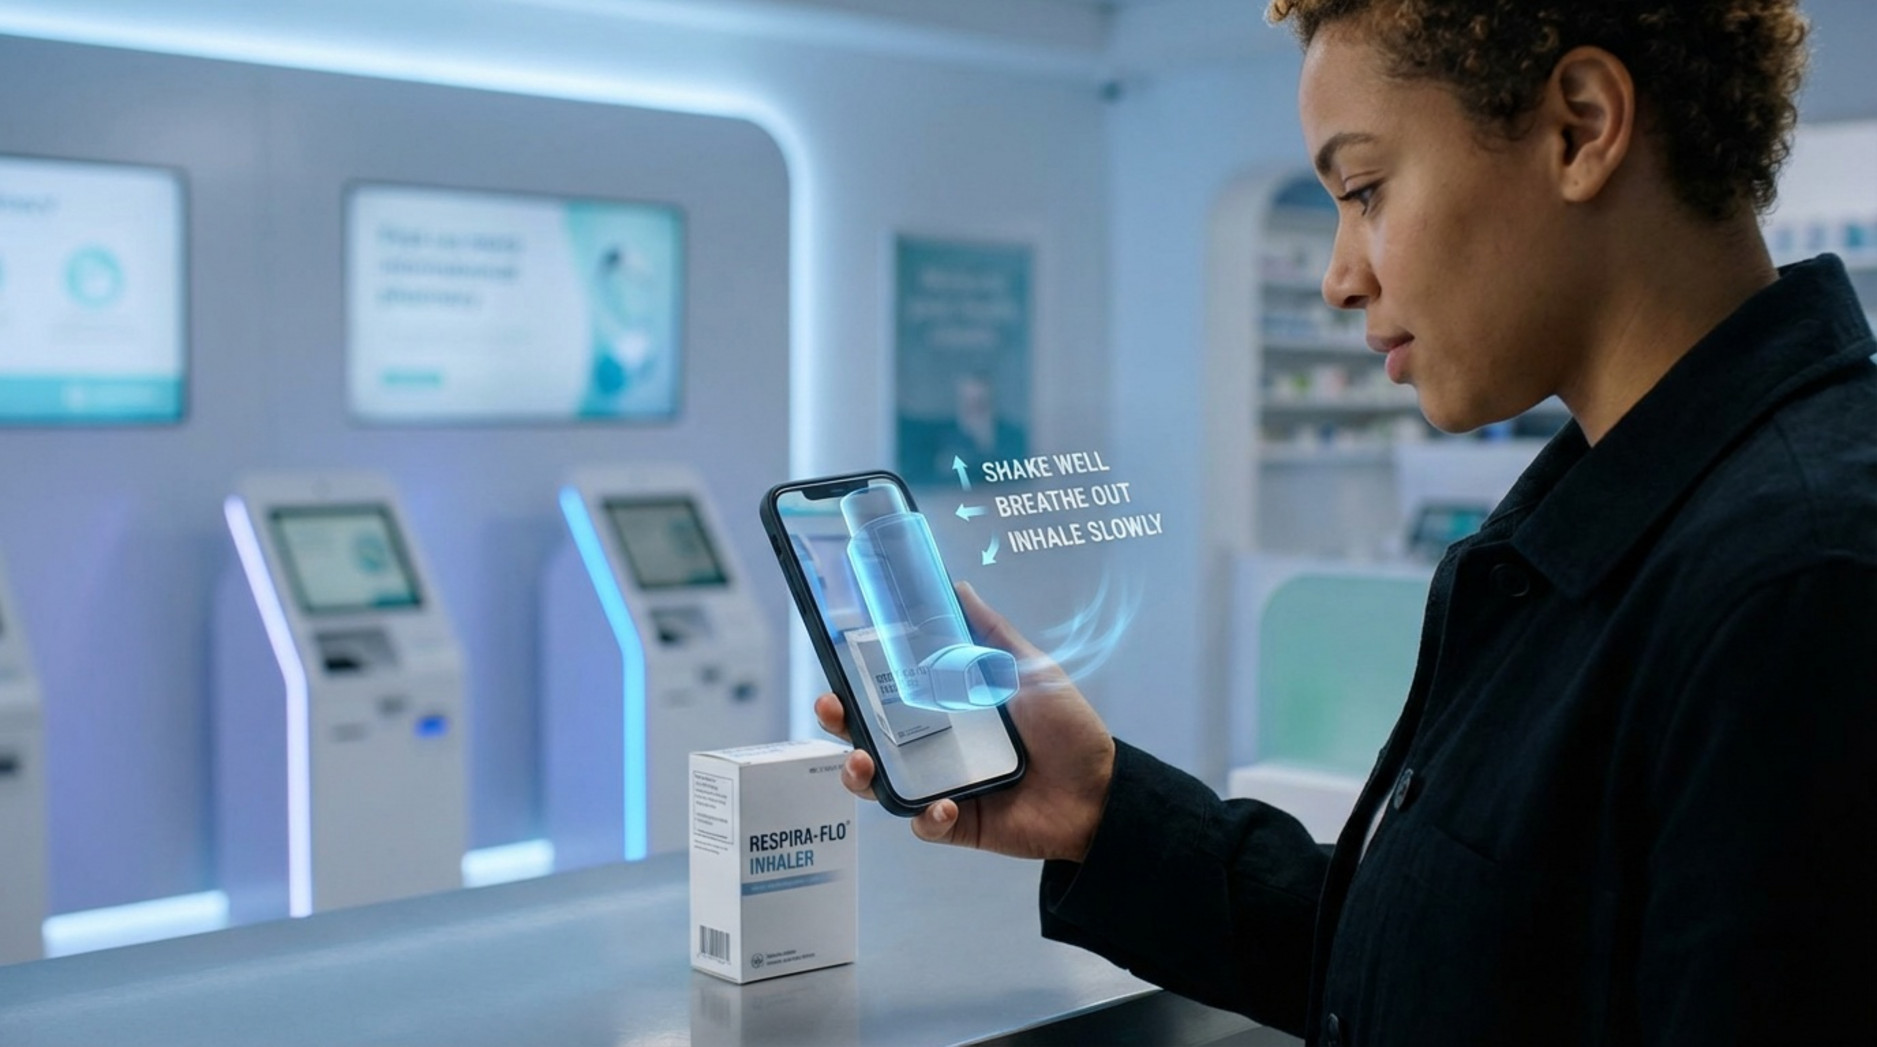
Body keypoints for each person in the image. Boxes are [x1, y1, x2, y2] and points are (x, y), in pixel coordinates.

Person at [818, 1, 1877, 1043]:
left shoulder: (1802, 584)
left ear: (1581, 126)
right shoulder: (1611, 522)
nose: (1338, 276)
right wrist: (1105, 808)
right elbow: (1471, 971)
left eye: (1364, 189)